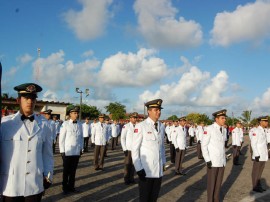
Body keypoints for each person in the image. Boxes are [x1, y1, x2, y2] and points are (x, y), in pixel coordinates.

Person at [0, 83, 53, 201]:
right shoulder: (4, 124)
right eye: (26, 98)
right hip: (10, 185)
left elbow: (47, 154)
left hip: (34, 184)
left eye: (33, 98)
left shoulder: (44, 125)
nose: (30, 101)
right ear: (18, 100)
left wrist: (48, 175)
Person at [132, 99, 166, 202]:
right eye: (156, 110)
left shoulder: (161, 126)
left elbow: (162, 146)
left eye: (159, 110)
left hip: (158, 170)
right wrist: (138, 168)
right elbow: (135, 149)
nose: (158, 112)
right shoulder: (141, 126)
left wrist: (163, 163)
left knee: (154, 198)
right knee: (145, 198)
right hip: (146, 170)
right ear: (149, 111)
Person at [201, 109, 227, 202]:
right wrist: (207, 159)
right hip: (212, 161)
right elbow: (204, 145)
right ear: (216, 119)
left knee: (218, 183)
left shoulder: (223, 129)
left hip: (221, 161)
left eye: (225, 118)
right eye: (222, 118)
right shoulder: (209, 129)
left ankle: (216, 199)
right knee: (211, 184)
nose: (224, 120)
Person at [59, 106, 83, 194]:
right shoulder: (65, 124)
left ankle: (71, 186)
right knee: (66, 171)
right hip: (67, 151)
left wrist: (81, 148)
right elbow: (61, 139)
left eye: (77, 113)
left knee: (73, 171)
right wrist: (62, 151)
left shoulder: (80, 124)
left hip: (76, 151)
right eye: (74, 113)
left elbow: (81, 137)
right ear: (70, 114)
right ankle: (65, 187)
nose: (76, 115)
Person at [251, 116, 269, 192]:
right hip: (258, 155)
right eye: (265, 121)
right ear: (260, 122)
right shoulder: (256, 131)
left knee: (260, 171)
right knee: (256, 171)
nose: (266, 123)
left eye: (267, 121)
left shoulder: (263, 130)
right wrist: (256, 154)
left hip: (263, 155)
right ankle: (255, 186)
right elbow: (253, 143)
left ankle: (258, 185)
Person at [121, 112, 138, 185]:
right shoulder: (126, 126)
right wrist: (124, 149)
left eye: (136, 118)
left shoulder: (138, 126)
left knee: (134, 165)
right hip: (128, 149)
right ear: (130, 118)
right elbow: (122, 138)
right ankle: (126, 178)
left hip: (135, 149)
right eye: (134, 118)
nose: (135, 119)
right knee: (127, 164)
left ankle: (132, 178)